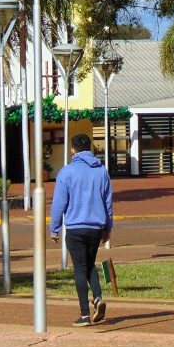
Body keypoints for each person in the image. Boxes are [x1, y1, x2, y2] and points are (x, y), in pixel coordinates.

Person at [50, 133, 113, 327]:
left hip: (76, 227)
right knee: (90, 264)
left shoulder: (67, 172)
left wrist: (55, 229)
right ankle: (98, 297)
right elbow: (108, 202)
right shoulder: (101, 171)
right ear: (91, 148)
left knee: (80, 268)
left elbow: (59, 202)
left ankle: (85, 315)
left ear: (72, 150)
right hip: (96, 227)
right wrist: (108, 228)